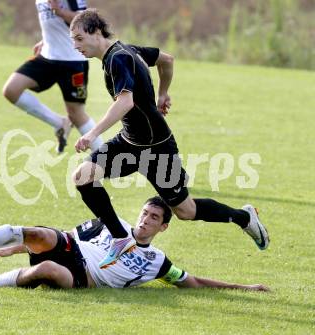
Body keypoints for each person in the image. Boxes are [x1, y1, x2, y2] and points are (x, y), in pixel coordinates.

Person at [68, 9, 270, 268]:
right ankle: (120, 237)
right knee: (83, 176)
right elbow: (167, 59)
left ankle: (245, 217)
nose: (76, 46)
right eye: (73, 40)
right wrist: (163, 93)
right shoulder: (127, 50)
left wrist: (93, 133)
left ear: (96, 32)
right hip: (129, 143)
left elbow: (126, 101)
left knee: (186, 211)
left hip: (156, 148)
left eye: (79, 38)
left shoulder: (119, 58)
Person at [0, 196, 268, 291]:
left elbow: (191, 281)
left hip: (84, 278)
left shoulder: (156, 261)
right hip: (72, 247)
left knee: (49, 269)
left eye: (153, 218)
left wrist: (243, 287)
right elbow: (66, 237)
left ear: (164, 227)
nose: (144, 220)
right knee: (39, 232)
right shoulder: (114, 226)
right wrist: (16, 246)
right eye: (144, 213)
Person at [2, 0, 103, 153]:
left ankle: (105, 159)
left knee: (76, 114)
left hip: (72, 61)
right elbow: (53, 23)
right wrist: (45, 40)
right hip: (47, 56)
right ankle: (59, 123)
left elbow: (87, 21)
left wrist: (61, 12)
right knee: (11, 90)